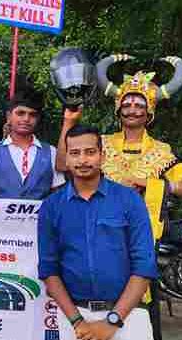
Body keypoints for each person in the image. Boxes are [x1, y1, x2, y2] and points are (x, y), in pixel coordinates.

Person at [55, 55, 182, 340]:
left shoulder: (161, 152)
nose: (132, 109)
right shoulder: (101, 144)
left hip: (139, 245)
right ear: (118, 109)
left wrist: (154, 184)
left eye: (139, 105)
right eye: (127, 104)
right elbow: (63, 164)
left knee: (139, 316)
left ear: (149, 112)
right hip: (95, 238)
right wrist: (68, 122)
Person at [38, 125, 158, 340]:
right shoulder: (52, 206)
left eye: (90, 152)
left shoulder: (129, 200)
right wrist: (78, 321)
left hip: (128, 314)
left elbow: (144, 265)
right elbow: (49, 270)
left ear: (102, 156)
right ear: (67, 159)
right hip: (73, 316)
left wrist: (112, 321)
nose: (83, 160)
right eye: (75, 153)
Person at [0, 97, 64, 199]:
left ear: (38, 119)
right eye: (20, 113)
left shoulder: (51, 152)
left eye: (32, 115)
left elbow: (57, 193)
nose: (26, 119)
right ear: (9, 116)